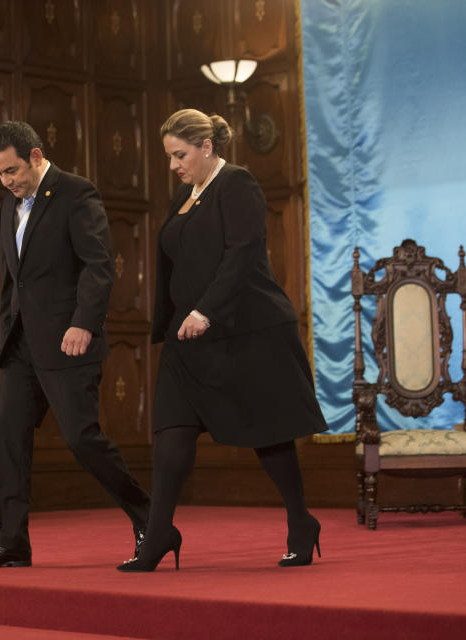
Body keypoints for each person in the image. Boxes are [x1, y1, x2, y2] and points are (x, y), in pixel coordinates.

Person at [117, 109, 328, 573]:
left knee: (267, 434)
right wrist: (179, 318)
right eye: (170, 156)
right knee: (171, 431)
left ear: (207, 146)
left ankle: (300, 521)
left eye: (181, 154)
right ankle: (158, 535)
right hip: (188, 337)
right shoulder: (183, 194)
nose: (174, 164)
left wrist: (205, 311)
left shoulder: (237, 184)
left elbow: (242, 253)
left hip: (244, 331)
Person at [0, 121, 151, 569]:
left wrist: (84, 323)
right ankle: (10, 542)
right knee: (8, 440)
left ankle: (149, 518)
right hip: (21, 344)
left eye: (12, 171)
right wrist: (8, 328)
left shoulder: (76, 193)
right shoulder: (9, 205)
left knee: (82, 440)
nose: (6, 181)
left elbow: (98, 266)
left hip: (69, 342)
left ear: (36, 156)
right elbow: (14, 278)